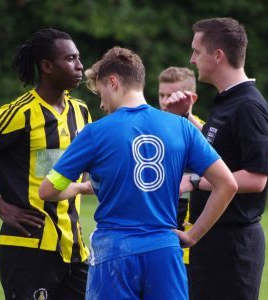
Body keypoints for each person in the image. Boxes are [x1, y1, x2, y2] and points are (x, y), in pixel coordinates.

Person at [39, 46, 238, 300]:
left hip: (115, 253)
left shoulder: (94, 132)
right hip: (165, 251)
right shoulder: (182, 127)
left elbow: (47, 189)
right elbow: (228, 184)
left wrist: (79, 187)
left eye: (101, 93)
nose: (101, 103)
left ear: (113, 82)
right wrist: (192, 235)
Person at [0, 28, 92, 299]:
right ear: (47, 67)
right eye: (70, 59)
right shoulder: (20, 113)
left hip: (74, 248)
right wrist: (1, 206)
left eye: (78, 58)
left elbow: (87, 166)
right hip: (28, 247)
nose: (80, 66)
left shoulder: (81, 111)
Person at [176, 17, 268, 300]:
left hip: (233, 246)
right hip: (211, 239)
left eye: (196, 51)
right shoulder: (227, 101)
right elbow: (217, 147)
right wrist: (187, 118)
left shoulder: (248, 106)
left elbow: (256, 178)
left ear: (218, 56)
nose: (192, 60)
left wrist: (194, 181)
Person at [158, 66, 204, 272]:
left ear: (191, 98)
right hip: (154, 237)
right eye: (162, 95)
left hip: (190, 241)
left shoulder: (203, 132)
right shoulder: (149, 132)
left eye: (172, 95)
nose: (166, 101)